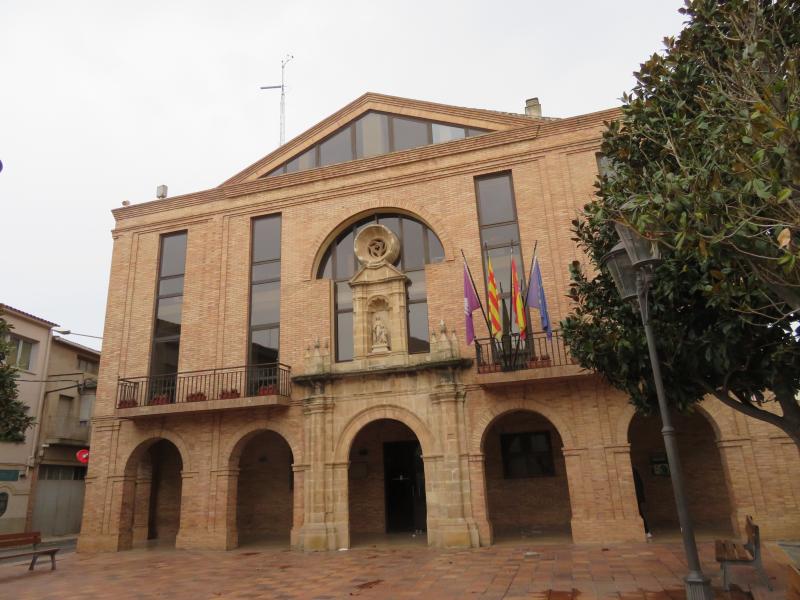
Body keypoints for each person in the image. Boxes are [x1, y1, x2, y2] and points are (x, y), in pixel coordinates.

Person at [633, 467, 652, 539]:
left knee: (639, 513)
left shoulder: (632, 470)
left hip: (635, 496)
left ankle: (646, 531)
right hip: (636, 496)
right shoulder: (634, 470)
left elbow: (638, 485)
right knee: (639, 513)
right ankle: (646, 531)